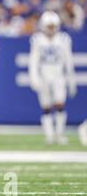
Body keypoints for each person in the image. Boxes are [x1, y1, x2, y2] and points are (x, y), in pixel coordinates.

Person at [29, 11, 76, 145]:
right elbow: (34, 61)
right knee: (46, 107)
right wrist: (34, 77)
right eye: (49, 26)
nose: (51, 29)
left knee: (60, 104)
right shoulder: (37, 39)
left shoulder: (63, 38)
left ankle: (59, 134)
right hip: (44, 75)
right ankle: (49, 136)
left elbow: (68, 60)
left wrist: (71, 79)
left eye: (53, 26)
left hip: (58, 76)